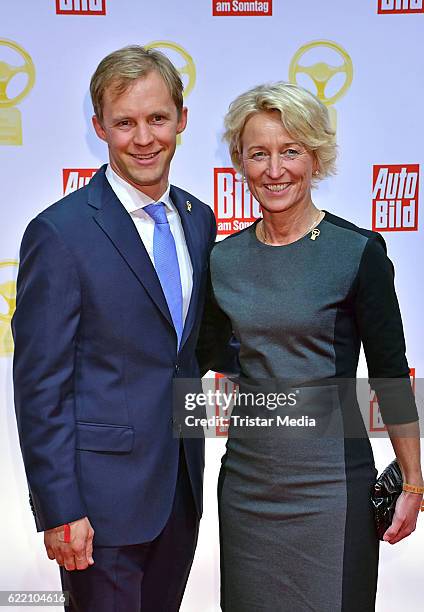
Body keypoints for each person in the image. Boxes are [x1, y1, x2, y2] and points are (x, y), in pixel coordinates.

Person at [197, 82, 423, 611]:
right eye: (259, 154)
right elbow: (207, 351)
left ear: (316, 157)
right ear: (241, 163)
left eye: (290, 151)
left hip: (332, 490)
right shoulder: (223, 260)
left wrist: (413, 482)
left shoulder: (358, 251)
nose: (275, 170)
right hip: (248, 490)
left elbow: (390, 373)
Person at [12, 45, 216, 611]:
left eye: (157, 118)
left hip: (180, 490)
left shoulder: (199, 219)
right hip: (97, 510)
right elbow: (40, 387)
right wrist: (60, 509)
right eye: (125, 122)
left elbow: (188, 349)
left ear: (181, 118)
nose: (145, 137)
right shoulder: (60, 233)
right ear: (99, 127)